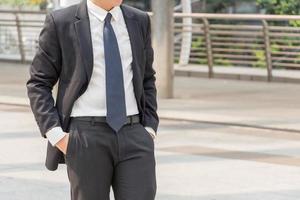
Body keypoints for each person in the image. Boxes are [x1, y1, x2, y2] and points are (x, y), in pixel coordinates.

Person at [26, 0, 159, 199]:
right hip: (85, 136)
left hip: (134, 134)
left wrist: (149, 128)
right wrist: (57, 135)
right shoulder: (61, 21)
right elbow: (38, 82)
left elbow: (147, 77)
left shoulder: (138, 20)